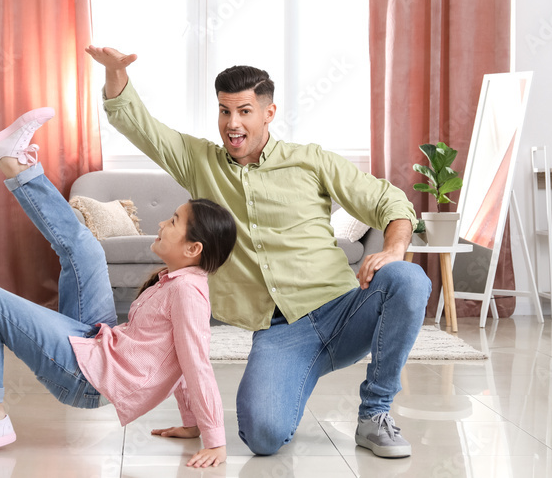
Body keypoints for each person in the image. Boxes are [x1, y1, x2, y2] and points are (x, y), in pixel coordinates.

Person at [85, 46, 432, 459]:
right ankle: (295, 376)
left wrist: (393, 249)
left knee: (408, 278)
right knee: (262, 436)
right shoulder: (199, 162)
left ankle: (375, 414)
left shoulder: (310, 161)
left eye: (244, 111)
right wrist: (114, 72)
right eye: (224, 111)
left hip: (342, 309)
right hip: (281, 332)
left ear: (269, 113)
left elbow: (390, 201)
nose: (232, 123)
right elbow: (138, 124)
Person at [0, 107, 236, 467]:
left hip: (88, 379)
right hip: (102, 343)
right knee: (86, 249)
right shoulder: (177, 281)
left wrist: (214, 439)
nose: (161, 224)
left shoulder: (187, 293)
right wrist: (190, 424)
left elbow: (195, 363)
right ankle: (15, 164)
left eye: (173, 222)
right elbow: (179, 359)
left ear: (193, 249)